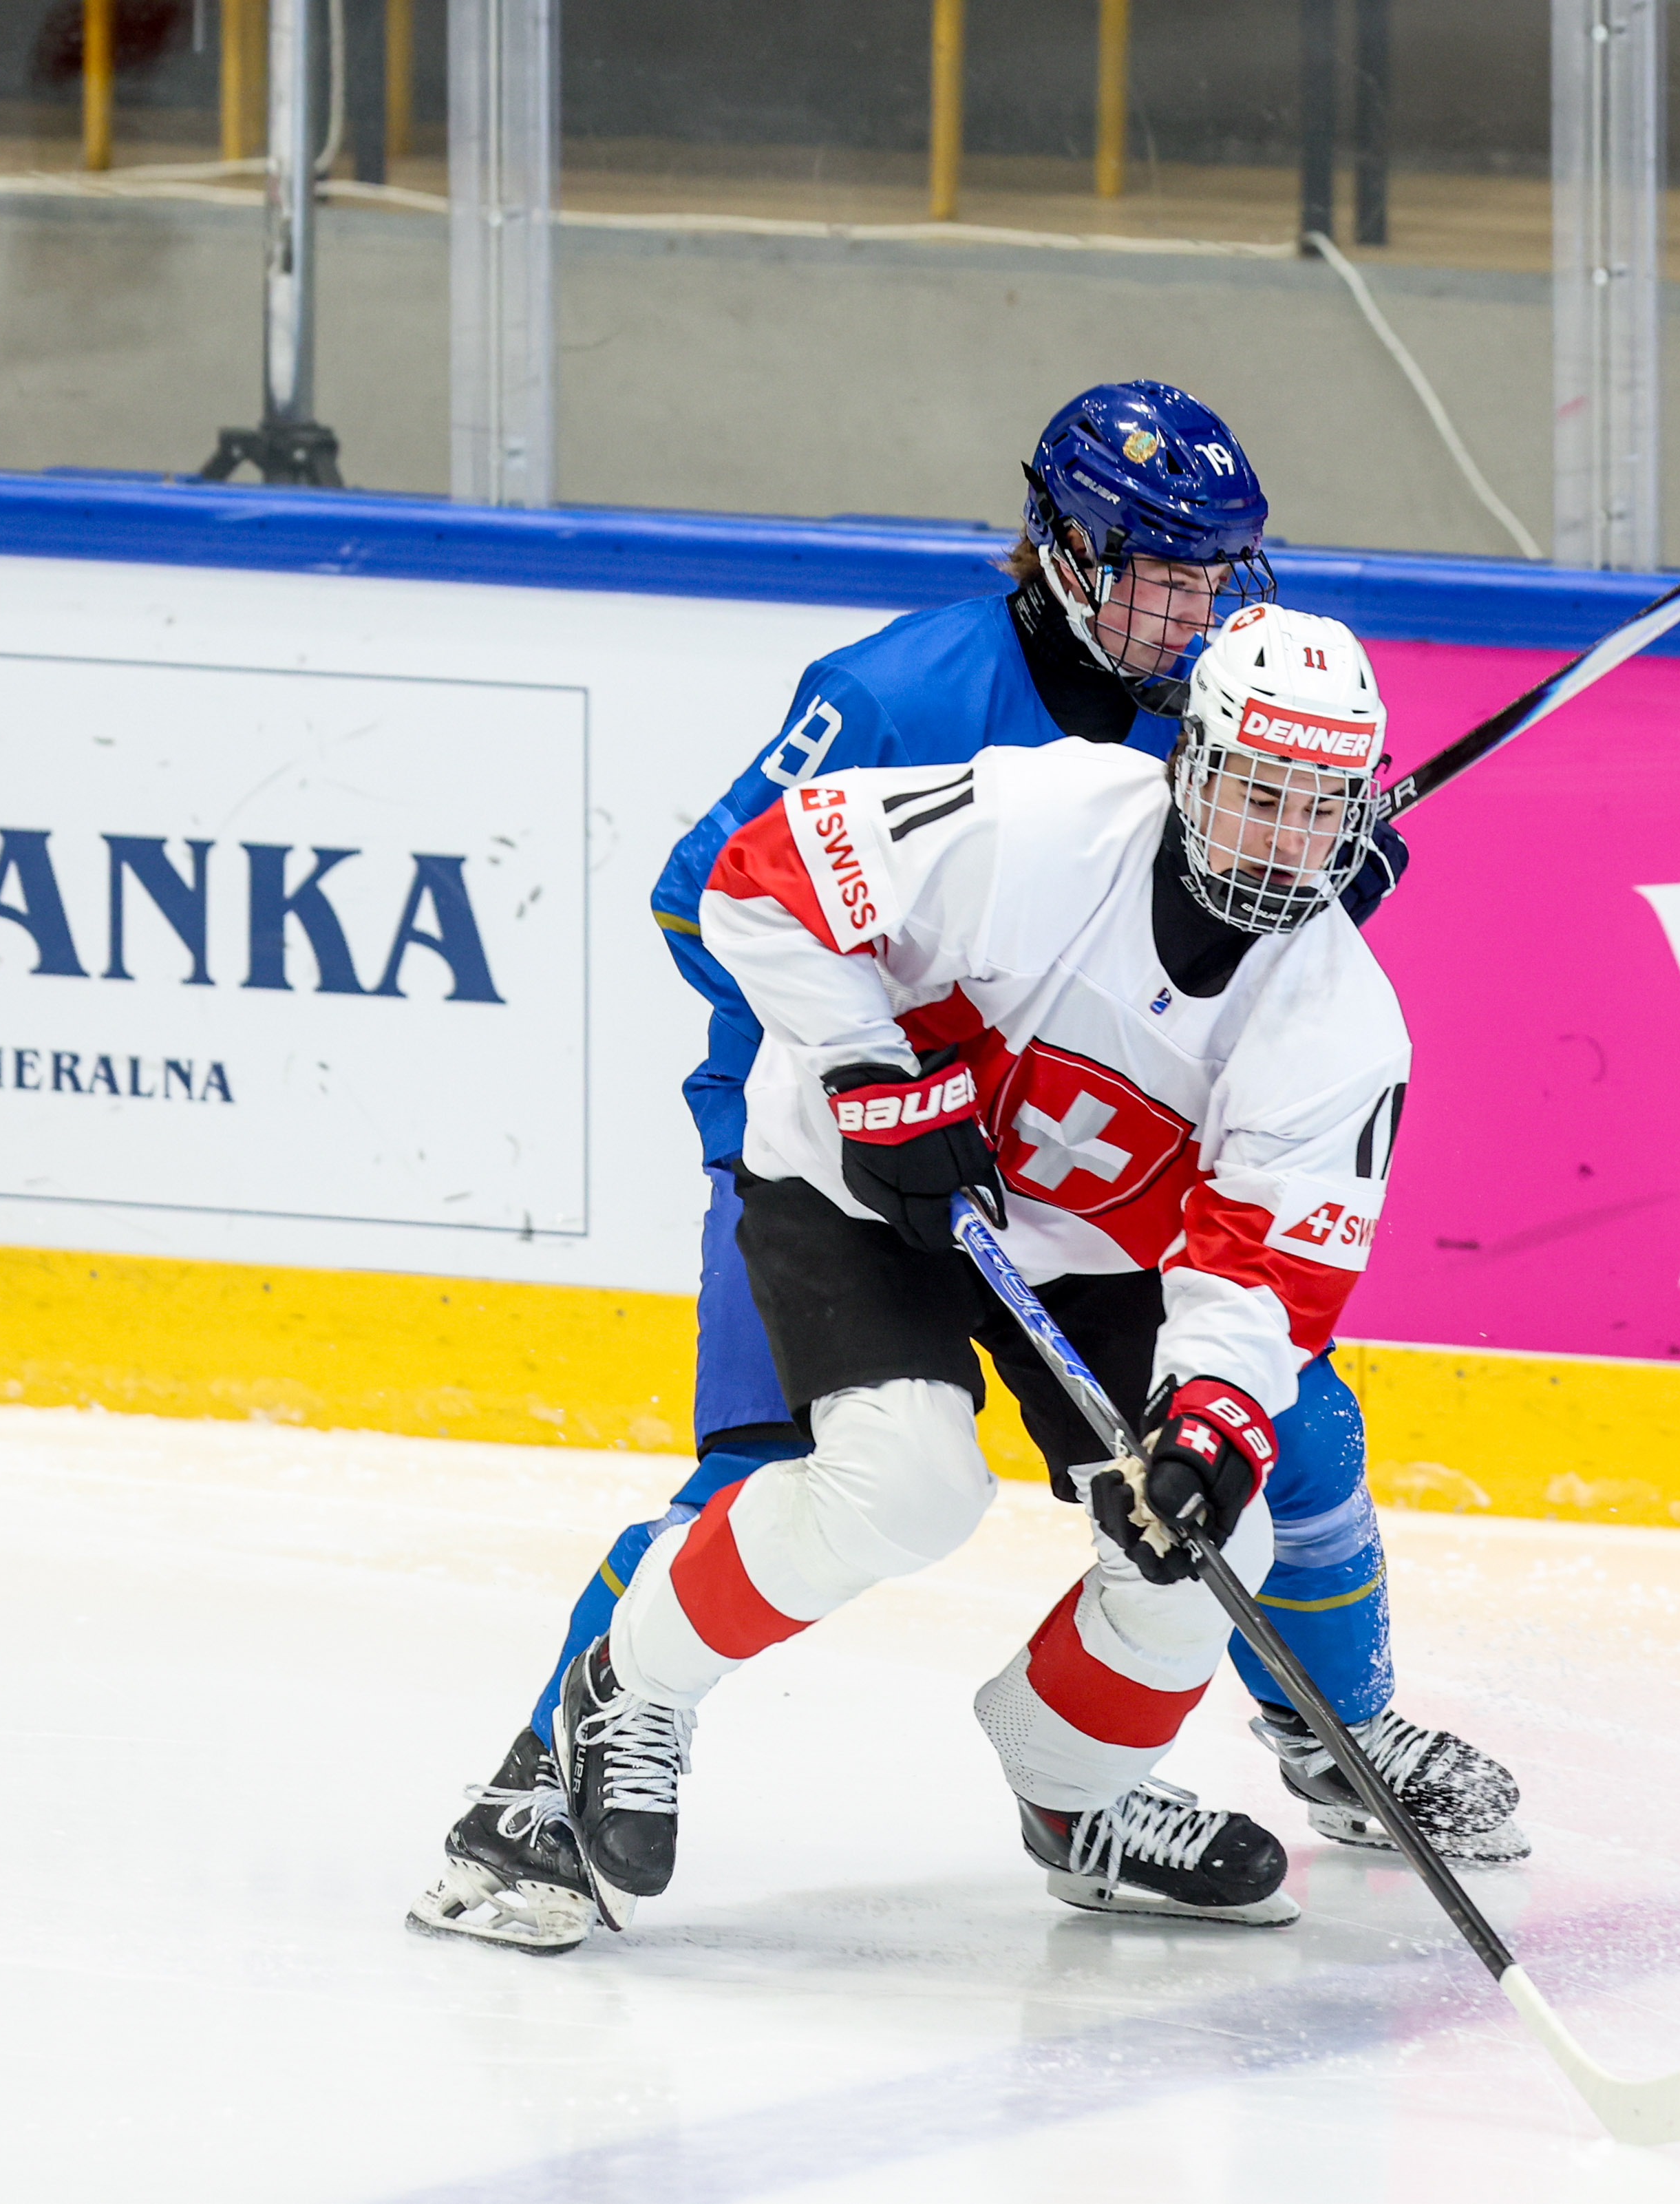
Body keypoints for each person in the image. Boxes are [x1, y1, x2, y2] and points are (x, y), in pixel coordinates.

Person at [408, 389, 1521, 1956]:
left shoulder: (1202, 724)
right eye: (1161, 574)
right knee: (804, 1464)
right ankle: (537, 1790)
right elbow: (712, 893)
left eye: (1215, 580)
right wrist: (873, 1070)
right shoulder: (902, 697)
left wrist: (1303, 894)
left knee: (1264, 1447)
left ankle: (1294, 1741)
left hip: (1072, 1179)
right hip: (851, 1130)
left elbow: (1202, 988)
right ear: (1066, 550)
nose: (1193, 611)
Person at [549, 606, 1417, 1929]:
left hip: (1087, 1251)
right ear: (1192, 763)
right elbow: (761, 877)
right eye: (1258, 793)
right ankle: (633, 1683)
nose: (1285, 842)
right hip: (859, 1185)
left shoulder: (1343, 1022)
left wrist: (1211, 1412)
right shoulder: (1044, 818)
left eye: (1320, 807)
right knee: (909, 1484)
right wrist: (871, 1073)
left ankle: (1074, 1791)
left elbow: (1266, 1265)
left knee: (1207, 1533)